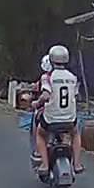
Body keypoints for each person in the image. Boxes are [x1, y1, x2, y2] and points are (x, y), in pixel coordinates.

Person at [34, 44, 84, 176]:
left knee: (40, 134)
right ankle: (77, 164)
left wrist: (36, 103)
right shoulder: (73, 77)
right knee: (75, 134)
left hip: (51, 119)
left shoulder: (48, 77)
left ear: (51, 60)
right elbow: (75, 96)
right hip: (70, 119)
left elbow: (45, 96)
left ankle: (44, 165)